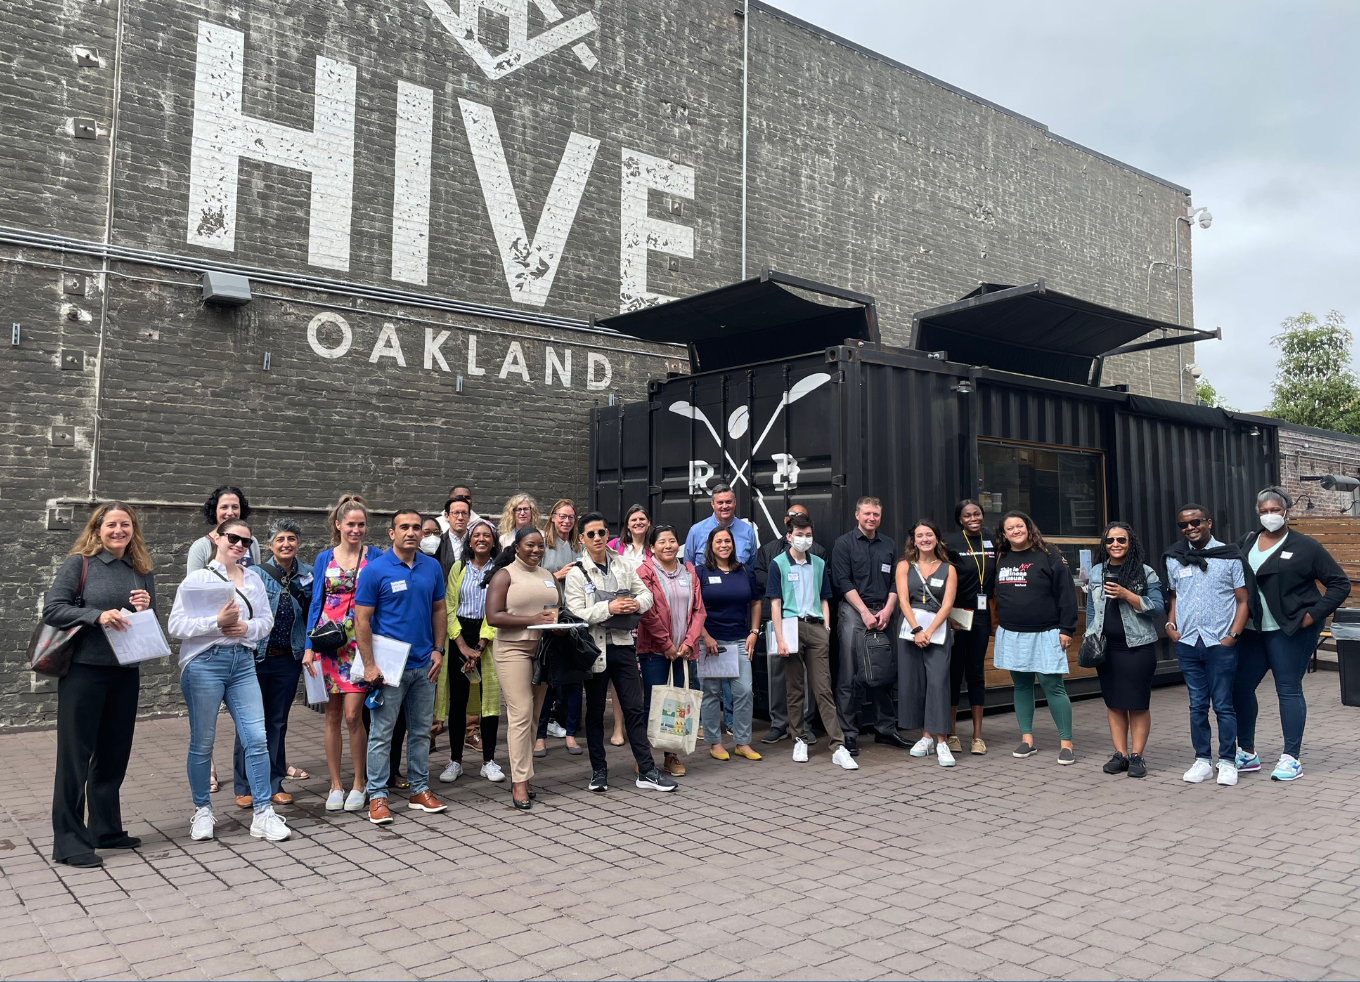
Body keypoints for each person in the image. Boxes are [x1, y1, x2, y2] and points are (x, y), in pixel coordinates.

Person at [43, 502, 155, 868]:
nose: (118, 530)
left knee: (113, 753)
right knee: (75, 757)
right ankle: (69, 841)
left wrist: (145, 607)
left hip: (125, 670)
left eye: (125, 525)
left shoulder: (140, 569)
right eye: (111, 524)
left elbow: (151, 619)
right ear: (98, 529)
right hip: (84, 672)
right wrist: (96, 615)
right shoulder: (81, 563)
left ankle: (105, 829)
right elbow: (54, 608)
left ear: (133, 530)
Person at [168, 519, 289, 843]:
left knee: (257, 738)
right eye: (232, 538)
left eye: (245, 541)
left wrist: (245, 629)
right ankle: (203, 810)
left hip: (243, 663)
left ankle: (263, 811)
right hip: (204, 664)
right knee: (202, 742)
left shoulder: (253, 579)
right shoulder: (199, 578)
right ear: (218, 539)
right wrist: (216, 622)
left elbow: (265, 621)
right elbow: (176, 624)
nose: (238, 544)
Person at [1233, 487, 1351, 783]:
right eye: (1264, 511)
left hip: (1291, 631)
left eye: (1275, 510)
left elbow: (1339, 584)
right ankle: (1246, 752)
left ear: (1287, 512)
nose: (1269, 515)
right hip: (1253, 630)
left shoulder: (1306, 547)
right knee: (1240, 688)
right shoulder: (1246, 543)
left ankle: (1291, 758)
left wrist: (1312, 615)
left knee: (1288, 689)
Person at [563, 513, 677, 793]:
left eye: (602, 532)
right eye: (591, 534)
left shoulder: (624, 564)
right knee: (596, 714)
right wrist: (609, 609)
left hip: (624, 646)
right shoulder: (577, 572)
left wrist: (634, 605)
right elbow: (576, 612)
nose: (598, 538)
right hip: (595, 649)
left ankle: (647, 771)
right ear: (581, 539)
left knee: (634, 709)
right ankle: (599, 771)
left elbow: (647, 594)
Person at [356, 510, 449, 824]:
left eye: (416, 528)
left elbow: (439, 609)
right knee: (382, 734)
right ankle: (378, 796)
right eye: (404, 527)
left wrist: (439, 650)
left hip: (425, 666)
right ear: (391, 533)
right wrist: (369, 665)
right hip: (388, 668)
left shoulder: (432, 567)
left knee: (421, 733)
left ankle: (420, 789)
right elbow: (362, 620)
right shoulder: (375, 570)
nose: (411, 532)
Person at [304, 495, 384, 812]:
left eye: (361, 524)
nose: (356, 529)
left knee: (353, 715)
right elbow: (316, 602)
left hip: (360, 644)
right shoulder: (325, 557)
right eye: (350, 524)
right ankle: (335, 784)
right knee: (332, 715)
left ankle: (359, 783)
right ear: (338, 525)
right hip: (328, 642)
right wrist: (309, 646)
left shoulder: (375, 556)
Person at [1163, 503, 1250, 786]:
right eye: (1184, 525)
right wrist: (1170, 625)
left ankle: (1227, 761)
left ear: (1208, 523)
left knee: (1223, 704)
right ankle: (1202, 760)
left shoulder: (1229, 556)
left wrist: (1232, 637)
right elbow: (1174, 595)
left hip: (1219, 642)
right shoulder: (1174, 558)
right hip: (1188, 641)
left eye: (1195, 522)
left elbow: (1243, 600)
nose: (1190, 528)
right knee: (1197, 704)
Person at [232, 518, 312, 809]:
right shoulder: (253, 574)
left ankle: (274, 783)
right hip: (255, 658)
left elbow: (314, 615)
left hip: (288, 659)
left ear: (298, 543)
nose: (286, 544)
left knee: (277, 723)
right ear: (269, 545)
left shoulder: (309, 575)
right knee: (250, 724)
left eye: (291, 538)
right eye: (280, 539)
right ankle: (244, 785)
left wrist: (309, 648)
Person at [768, 514, 858, 770]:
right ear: (788, 536)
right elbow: (775, 603)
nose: (804, 539)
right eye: (799, 534)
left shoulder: (818, 563)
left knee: (823, 689)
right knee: (794, 688)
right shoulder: (778, 564)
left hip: (817, 626)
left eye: (808, 535)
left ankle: (838, 746)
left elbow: (825, 598)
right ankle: (799, 738)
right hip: (791, 626)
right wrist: (780, 637)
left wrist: (826, 628)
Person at [987, 511, 1078, 765]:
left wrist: (1066, 628)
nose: (1015, 531)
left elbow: (1066, 592)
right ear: (1003, 534)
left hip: (1047, 632)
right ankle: (1027, 740)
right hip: (1012, 632)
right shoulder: (1001, 557)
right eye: (1009, 528)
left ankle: (1066, 743)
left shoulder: (1049, 554)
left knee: (1053, 686)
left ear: (1028, 527)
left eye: (1019, 526)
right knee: (1022, 686)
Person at [485, 526, 560, 809]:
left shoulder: (548, 576)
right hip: (513, 649)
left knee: (535, 716)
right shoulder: (505, 575)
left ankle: (526, 777)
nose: (536, 550)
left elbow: (555, 612)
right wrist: (533, 619)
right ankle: (518, 783)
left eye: (540, 546)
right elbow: (493, 617)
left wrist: (560, 625)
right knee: (521, 713)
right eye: (530, 545)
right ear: (517, 547)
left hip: (542, 651)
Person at [830, 497, 908, 754]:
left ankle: (885, 729)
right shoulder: (844, 544)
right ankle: (849, 733)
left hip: (884, 611)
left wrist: (887, 609)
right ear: (857, 515)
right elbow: (842, 581)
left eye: (875, 514)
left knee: (883, 671)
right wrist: (864, 612)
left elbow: (897, 582)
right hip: (854, 612)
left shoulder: (889, 544)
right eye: (867, 514)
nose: (871, 518)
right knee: (850, 675)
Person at [1086, 522, 1164, 779]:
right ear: (1104, 545)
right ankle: (1120, 754)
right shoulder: (1097, 571)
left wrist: (1127, 594)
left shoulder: (1145, 572)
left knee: (1138, 704)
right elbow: (1090, 609)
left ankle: (1137, 756)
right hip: (1107, 649)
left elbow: (1157, 608)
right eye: (1110, 541)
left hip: (1138, 647)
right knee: (1115, 704)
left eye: (1121, 540)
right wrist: (1090, 636)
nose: (1115, 545)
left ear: (1130, 543)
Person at [436, 518, 505, 784]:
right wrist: (462, 644)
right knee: (459, 701)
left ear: (493, 540)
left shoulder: (500, 571)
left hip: (489, 636)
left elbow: (498, 607)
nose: (481, 539)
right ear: (469, 539)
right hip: (459, 637)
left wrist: (481, 644)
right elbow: (449, 606)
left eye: (487, 535)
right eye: (477, 535)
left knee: (490, 700)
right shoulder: (458, 568)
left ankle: (489, 760)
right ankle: (455, 760)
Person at [637, 524, 707, 777]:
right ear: (652, 548)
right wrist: (666, 643)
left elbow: (699, 610)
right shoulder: (644, 572)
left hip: (683, 652)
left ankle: (671, 755)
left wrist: (688, 642)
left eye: (672, 540)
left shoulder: (689, 571)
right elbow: (647, 612)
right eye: (662, 542)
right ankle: (644, 757)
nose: (668, 545)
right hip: (655, 651)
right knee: (653, 703)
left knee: (676, 706)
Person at [754, 505, 826, 744]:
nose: (798, 521)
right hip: (778, 618)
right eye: (793, 517)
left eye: (802, 517)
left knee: (805, 675)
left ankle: (804, 724)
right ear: (787, 524)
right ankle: (778, 723)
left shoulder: (818, 552)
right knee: (776, 672)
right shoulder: (769, 550)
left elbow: (821, 586)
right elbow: (759, 576)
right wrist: (784, 584)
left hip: (806, 620)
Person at [895, 519, 959, 767]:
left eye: (929, 534)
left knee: (938, 683)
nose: (924, 539)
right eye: (920, 535)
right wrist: (916, 629)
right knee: (914, 682)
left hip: (938, 632)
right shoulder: (904, 566)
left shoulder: (948, 569)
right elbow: (903, 601)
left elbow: (947, 605)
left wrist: (929, 631)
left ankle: (942, 741)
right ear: (914, 539)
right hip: (911, 630)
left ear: (937, 538)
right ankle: (925, 737)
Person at [695, 527, 762, 761]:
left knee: (744, 691)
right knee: (711, 693)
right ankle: (715, 743)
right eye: (718, 541)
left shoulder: (744, 571)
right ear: (710, 545)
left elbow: (755, 602)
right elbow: (694, 609)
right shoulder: (701, 572)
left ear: (733, 544)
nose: (723, 545)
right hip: (710, 642)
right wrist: (704, 636)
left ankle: (742, 743)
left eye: (727, 540)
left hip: (740, 640)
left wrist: (754, 632)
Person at [942, 500, 994, 755]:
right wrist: (946, 614)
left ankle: (977, 736)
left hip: (982, 615)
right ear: (960, 519)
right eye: (967, 515)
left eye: (977, 513)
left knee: (976, 673)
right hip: (958, 615)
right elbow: (940, 579)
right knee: (954, 674)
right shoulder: (951, 543)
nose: (973, 518)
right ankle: (952, 734)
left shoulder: (993, 541)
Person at [536, 499, 584, 757]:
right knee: (547, 679)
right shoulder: (543, 543)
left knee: (574, 680)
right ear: (553, 517)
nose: (566, 521)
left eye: (571, 517)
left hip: (573, 615)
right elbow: (532, 576)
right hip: (548, 615)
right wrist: (557, 576)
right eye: (562, 516)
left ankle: (571, 734)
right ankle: (540, 736)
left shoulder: (578, 545)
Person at [187, 486, 260, 571]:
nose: (230, 513)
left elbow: (257, 574)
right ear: (215, 510)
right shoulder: (200, 547)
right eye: (224, 507)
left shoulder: (251, 541)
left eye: (235, 507)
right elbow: (193, 582)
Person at [684, 483, 757, 565]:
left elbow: (751, 567)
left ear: (735, 502)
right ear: (712, 504)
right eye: (720, 503)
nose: (725, 506)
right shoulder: (696, 531)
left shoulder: (747, 532)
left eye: (728, 502)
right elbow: (689, 568)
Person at [434, 496, 472, 577]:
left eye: (464, 513)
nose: (460, 518)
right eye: (456, 513)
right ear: (447, 516)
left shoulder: (476, 541)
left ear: (469, 516)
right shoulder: (439, 542)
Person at [608, 503, 652, 568]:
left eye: (642, 519)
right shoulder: (616, 544)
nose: (638, 523)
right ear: (628, 525)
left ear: (648, 523)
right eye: (634, 520)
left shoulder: (654, 547)